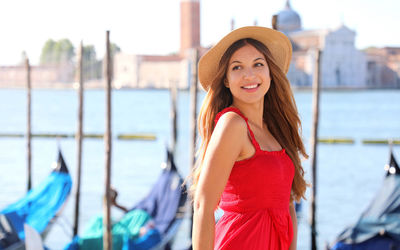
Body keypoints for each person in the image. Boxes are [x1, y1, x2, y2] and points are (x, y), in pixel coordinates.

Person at [190, 26, 308, 250]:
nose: (249, 75)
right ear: (226, 80)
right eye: (237, 67)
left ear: (270, 72)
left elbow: (287, 203)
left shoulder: (275, 128)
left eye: (258, 64)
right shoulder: (233, 124)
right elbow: (203, 204)